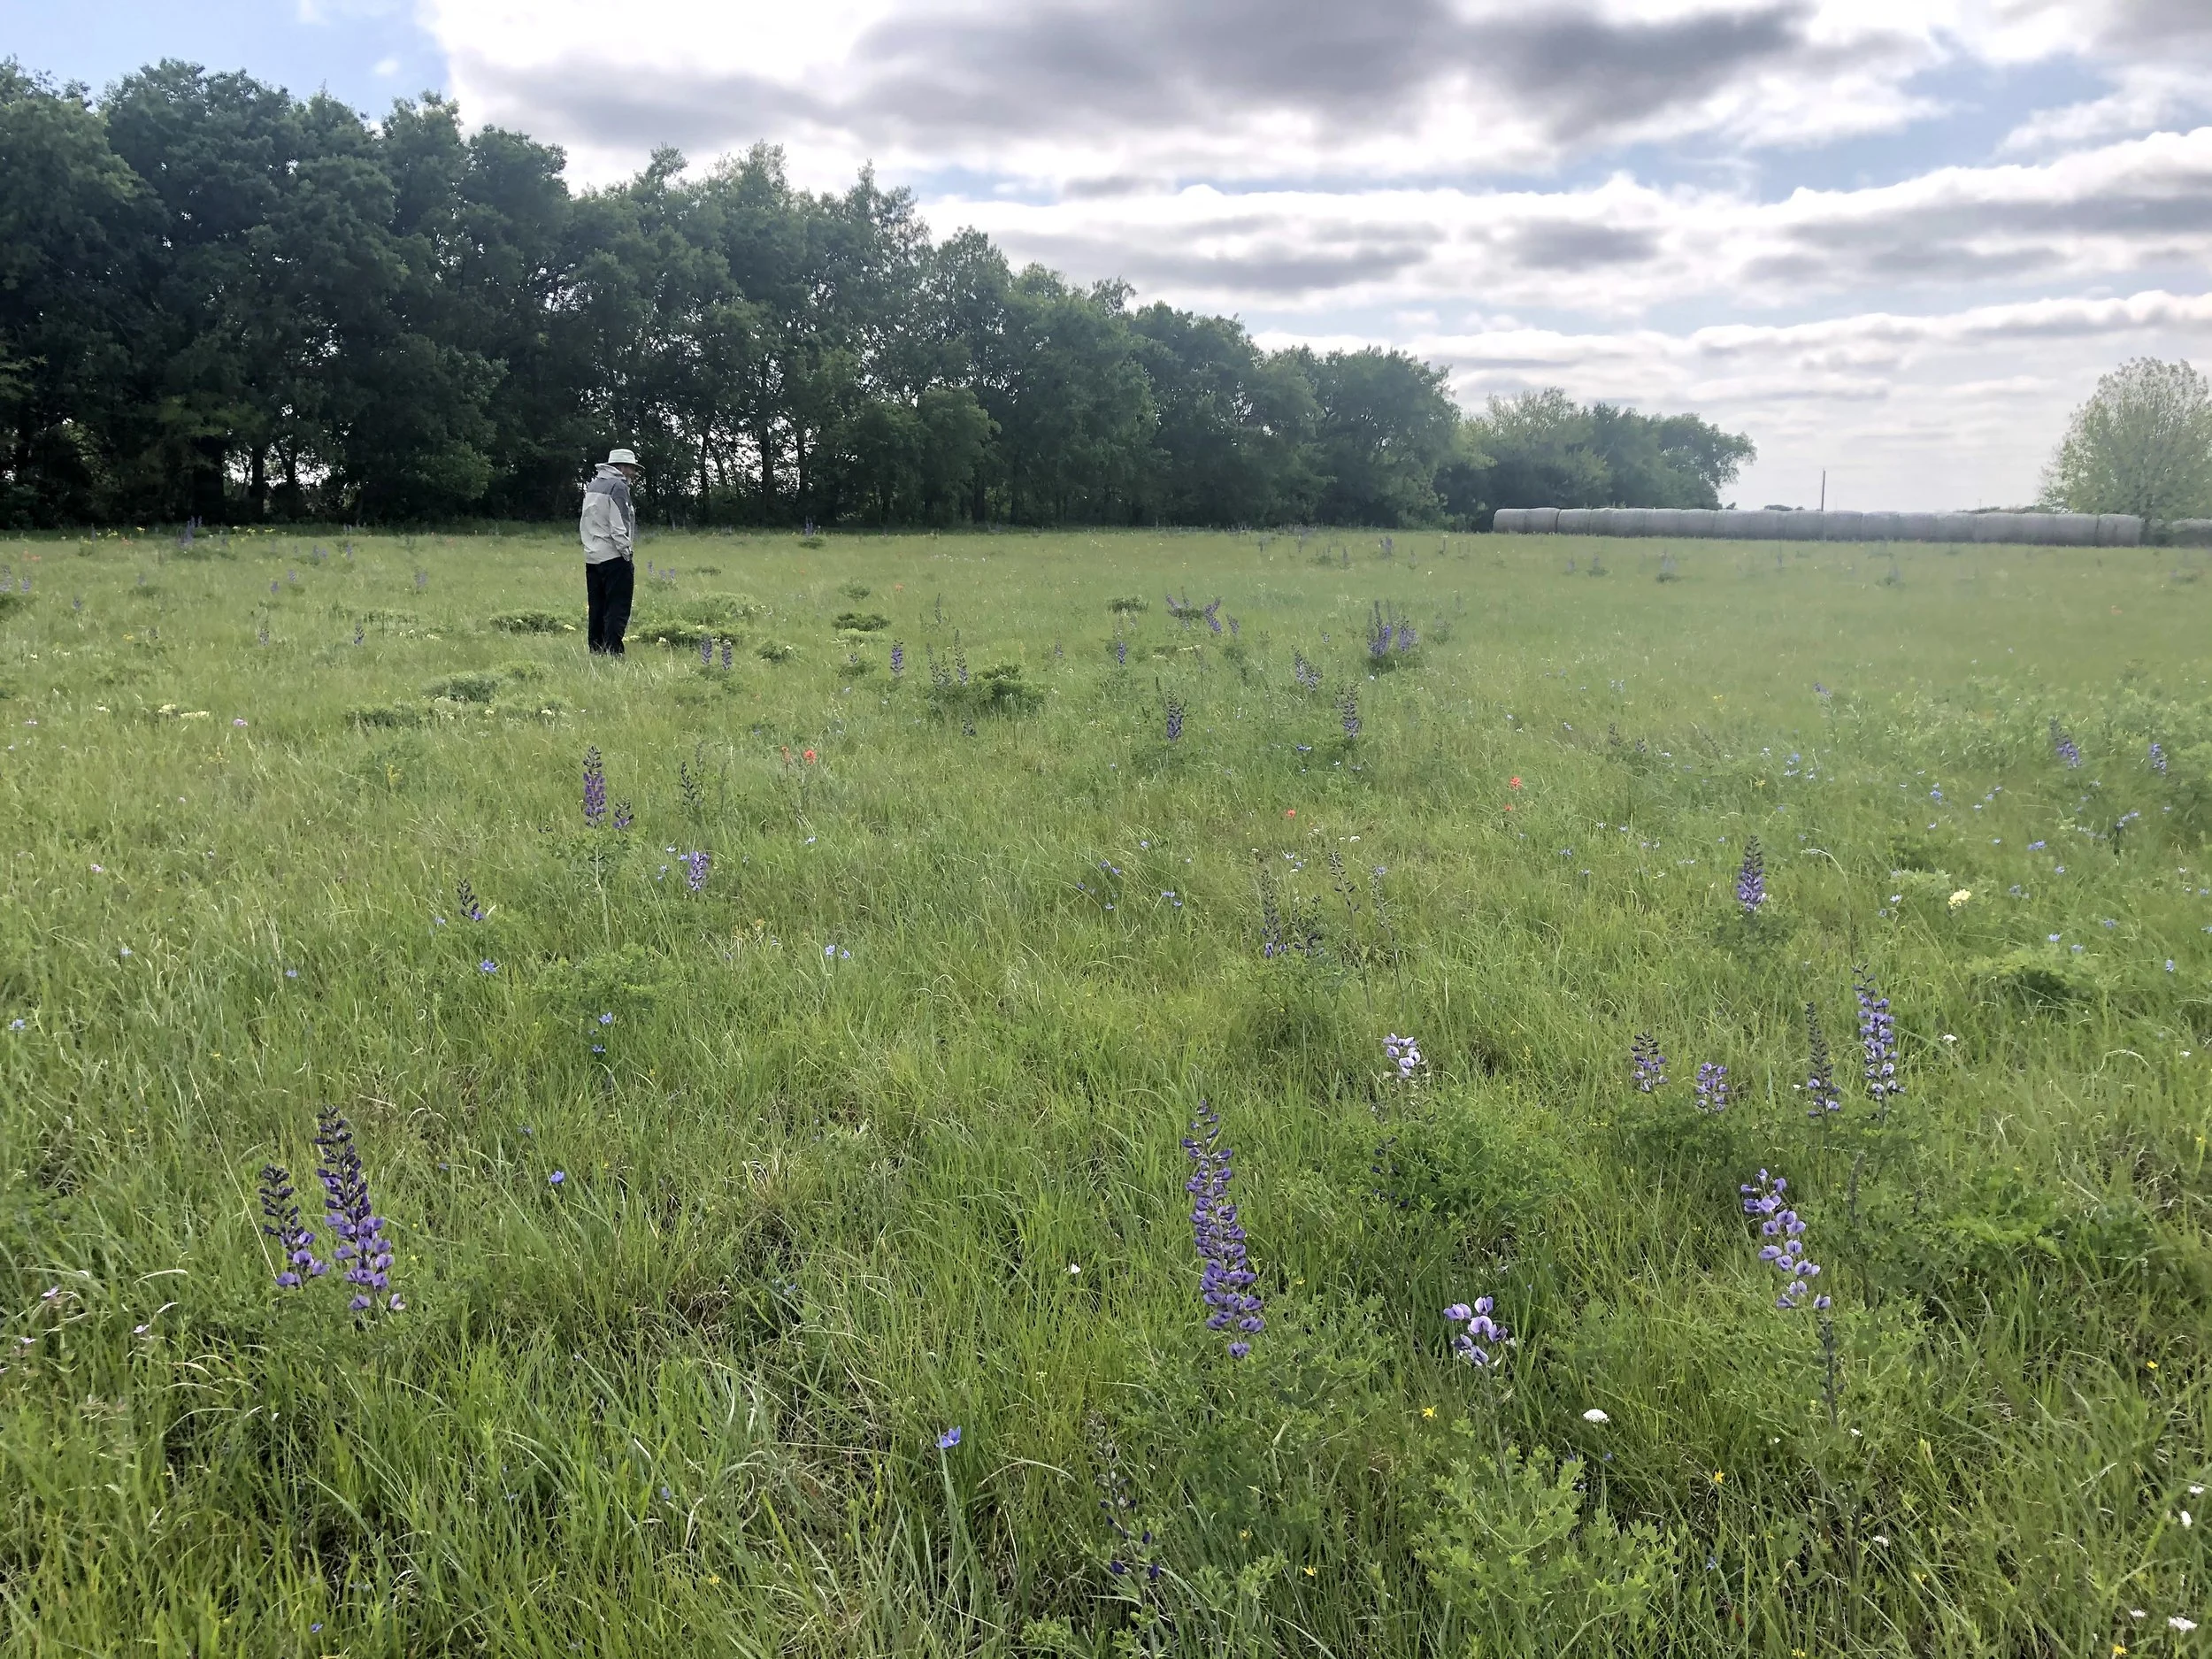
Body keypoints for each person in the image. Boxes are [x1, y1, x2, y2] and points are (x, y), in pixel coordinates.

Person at [579, 448, 641, 654]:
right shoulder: (618, 487)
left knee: (597, 607)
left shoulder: (594, 485)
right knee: (617, 607)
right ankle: (614, 652)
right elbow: (619, 525)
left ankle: (596, 650)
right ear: (622, 467)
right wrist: (626, 553)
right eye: (632, 468)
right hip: (614, 557)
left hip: (592, 557)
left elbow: (585, 522)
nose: (633, 473)